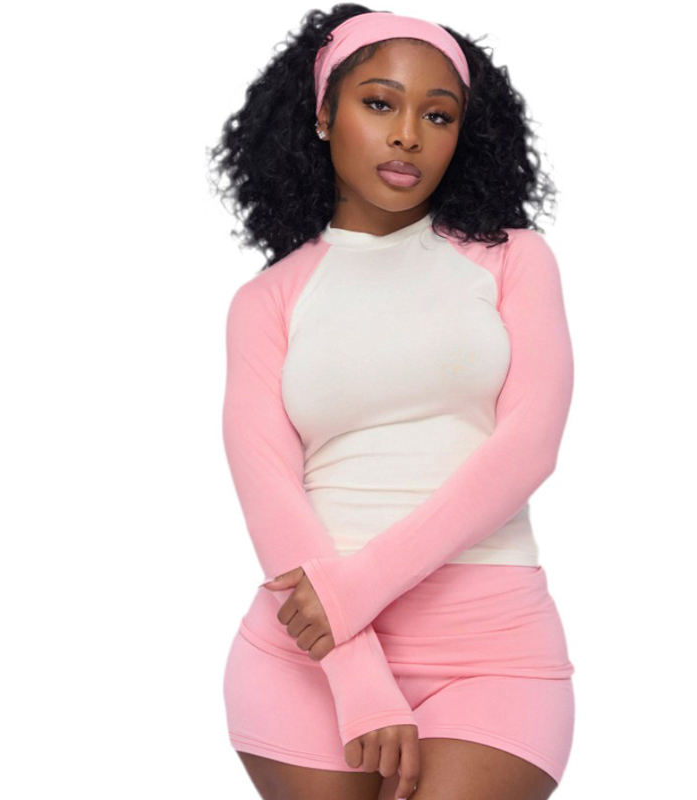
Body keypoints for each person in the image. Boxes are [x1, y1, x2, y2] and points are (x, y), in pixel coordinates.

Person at [208, 5, 576, 799]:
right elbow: (270, 495)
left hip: (491, 648)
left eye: (437, 115)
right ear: (323, 114)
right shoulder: (266, 301)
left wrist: (357, 590)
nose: (407, 134)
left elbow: (528, 446)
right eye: (380, 103)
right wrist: (357, 675)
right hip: (308, 654)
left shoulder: (513, 260)